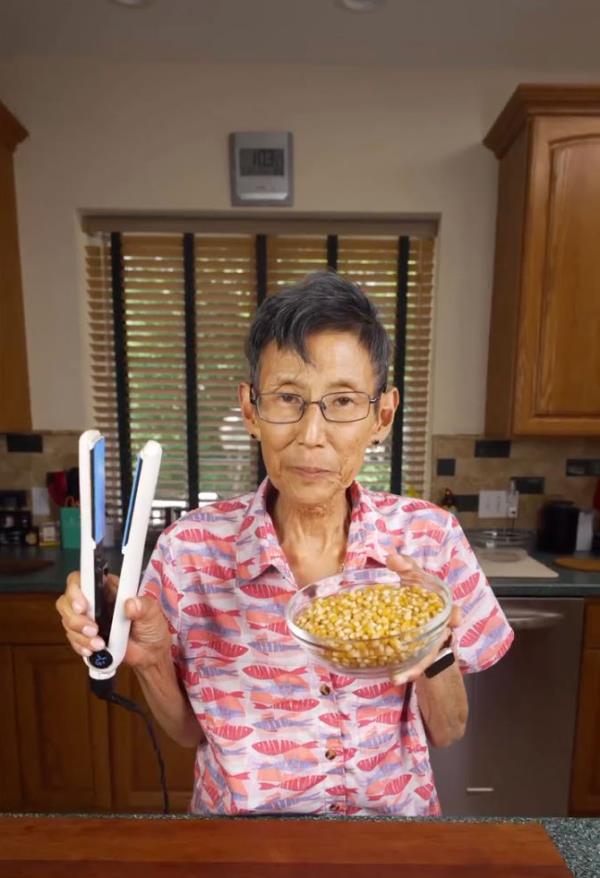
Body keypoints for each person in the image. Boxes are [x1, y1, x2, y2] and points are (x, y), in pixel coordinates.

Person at [56, 270, 514, 816]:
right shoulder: (190, 552)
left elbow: (449, 730)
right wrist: (152, 661)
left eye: (343, 401)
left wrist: (432, 642)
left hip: (391, 842)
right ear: (251, 410)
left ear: (382, 415)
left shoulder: (429, 536)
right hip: (244, 847)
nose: (311, 434)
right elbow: (186, 734)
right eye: (288, 399)